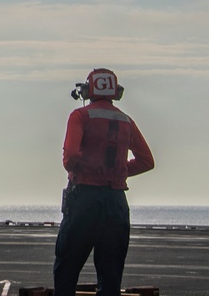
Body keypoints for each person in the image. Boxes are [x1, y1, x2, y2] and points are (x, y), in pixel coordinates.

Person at [53, 68, 155, 296]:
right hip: (116, 201)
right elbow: (147, 161)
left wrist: (85, 169)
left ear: (88, 90)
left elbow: (70, 158)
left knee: (67, 267)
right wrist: (118, 171)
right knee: (111, 275)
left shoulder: (80, 116)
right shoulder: (126, 121)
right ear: (115, 92)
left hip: (85, 198)